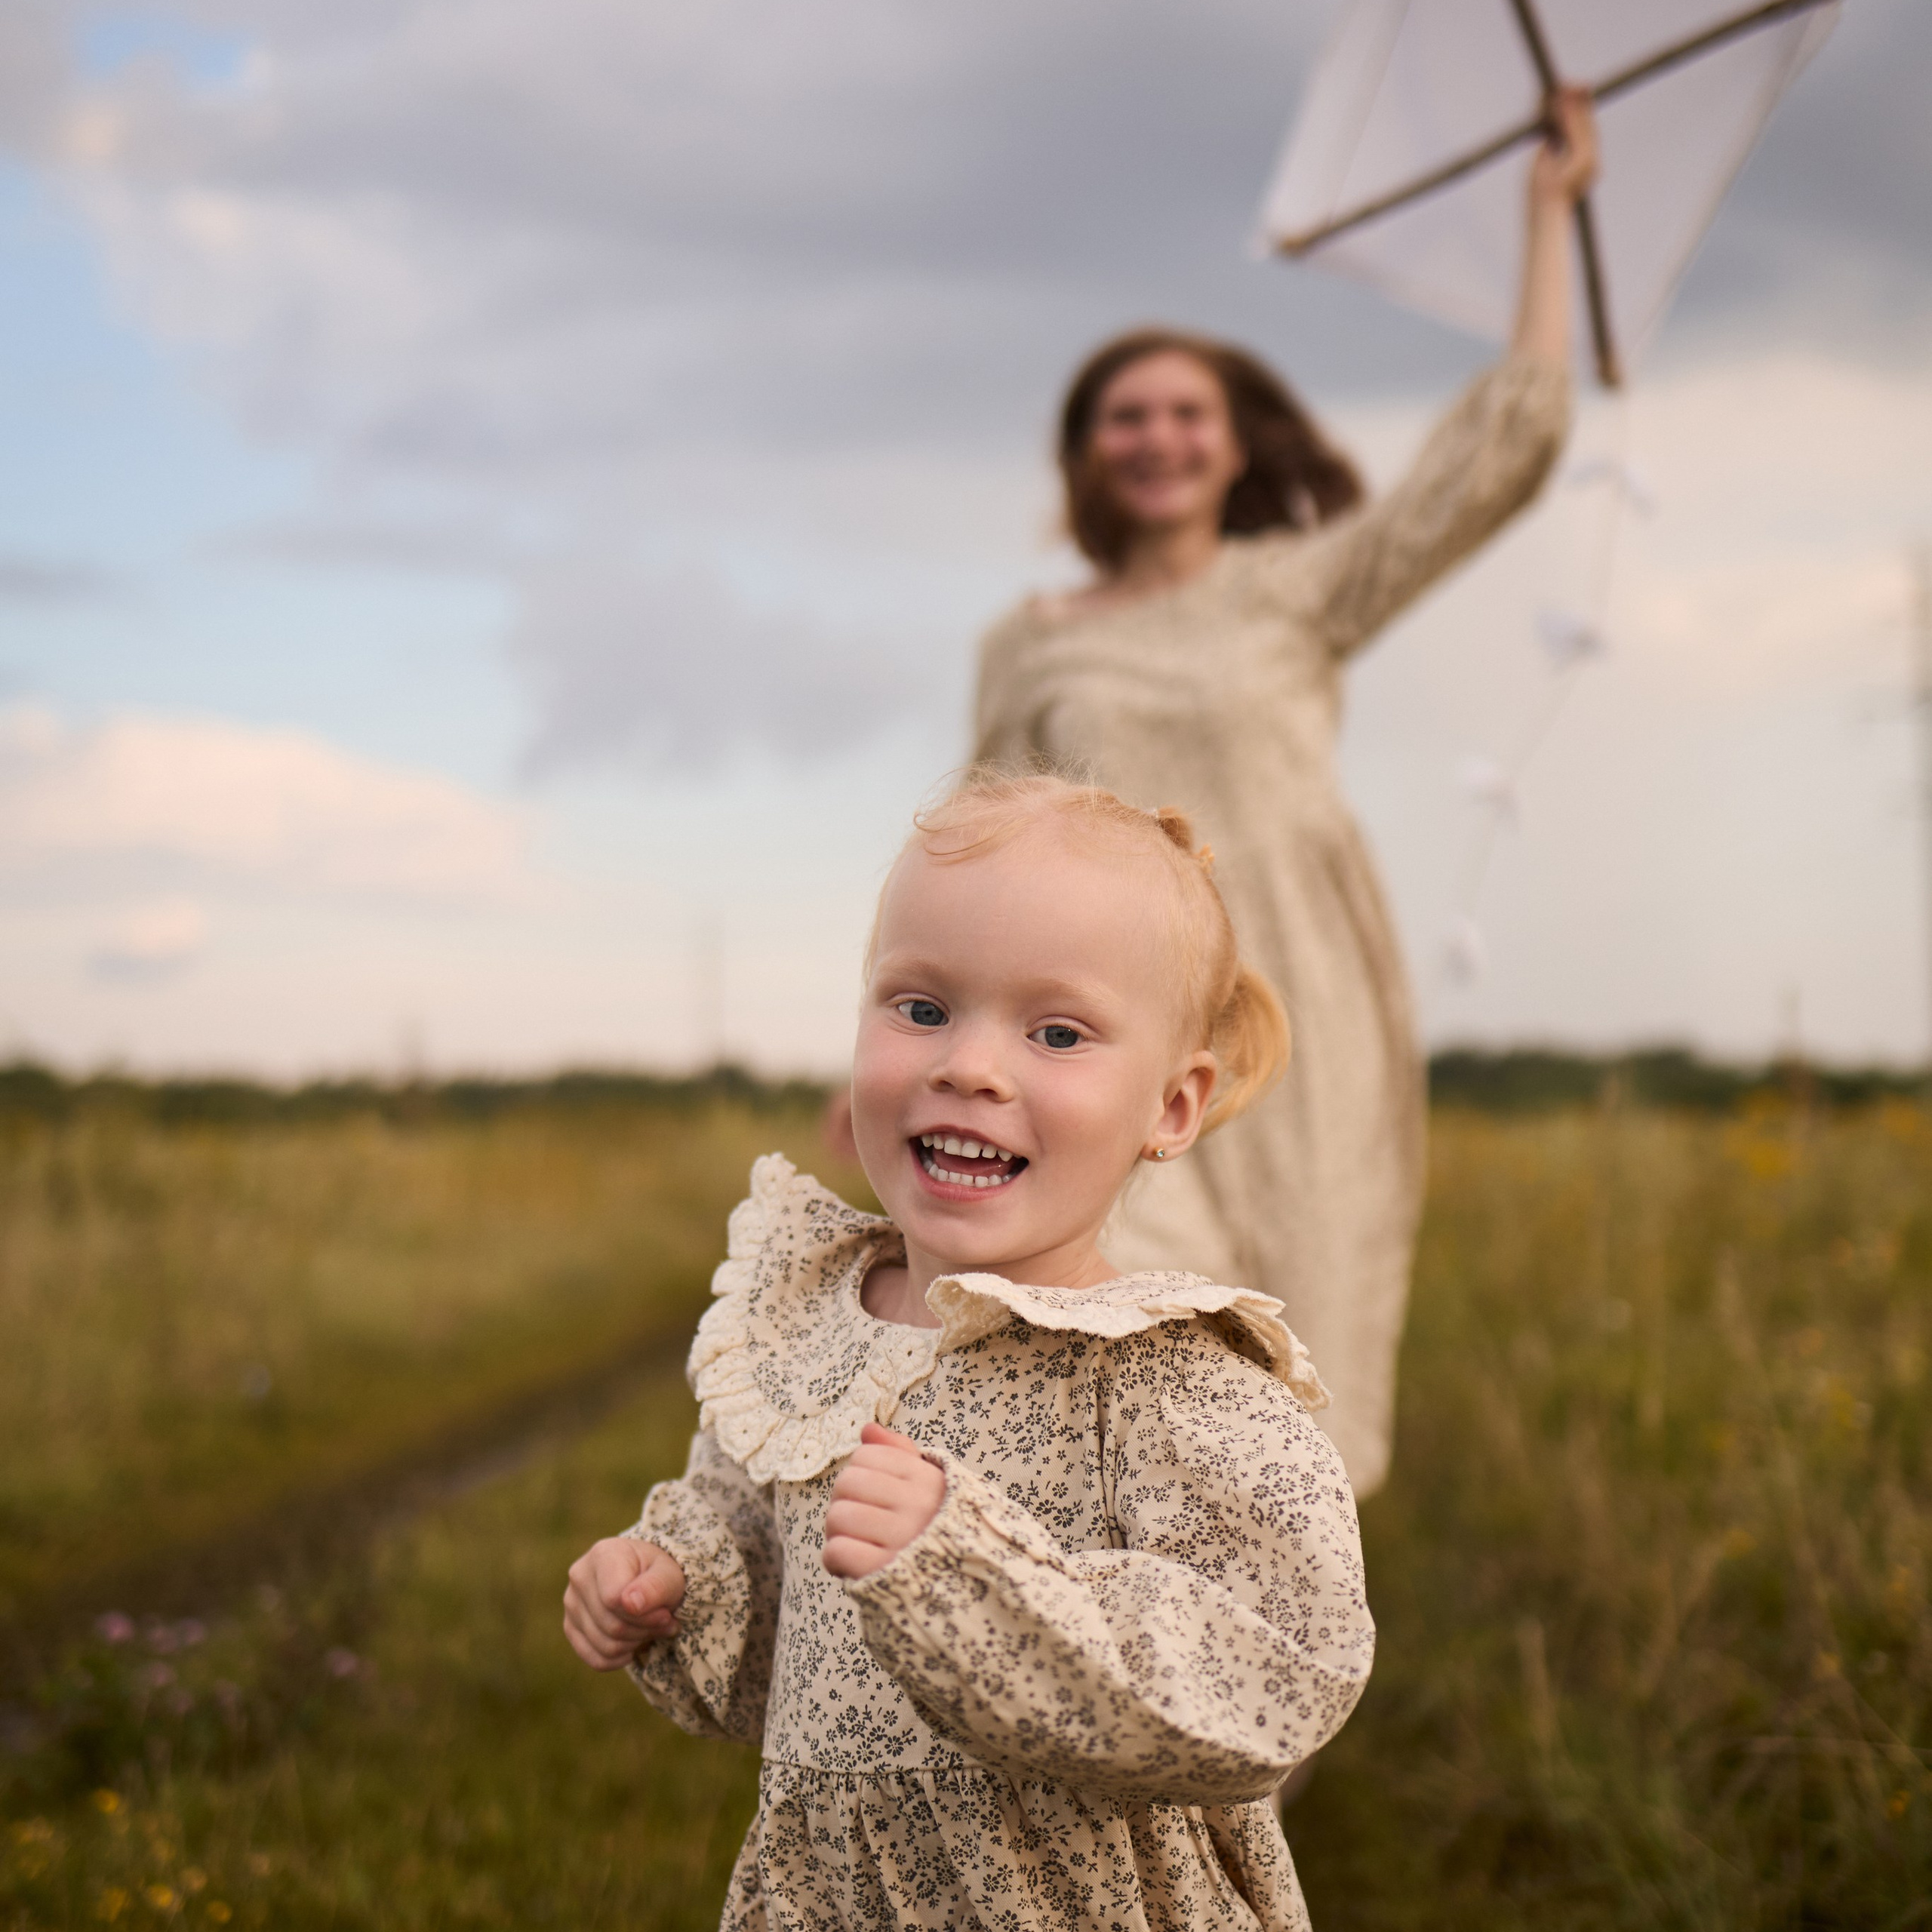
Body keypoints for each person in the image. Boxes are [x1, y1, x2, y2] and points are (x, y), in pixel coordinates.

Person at [565, 773, 1374, 1930]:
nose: (972, 1068)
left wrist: (975, 1578)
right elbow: (764, 1568)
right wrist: (678, 1583)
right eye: (923, 1009)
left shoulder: (1163, 1378)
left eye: (1057, 1032)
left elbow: (1282, 1673)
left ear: (1172, 1108)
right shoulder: (807, 1333)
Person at [969, 89, 1600, 1497]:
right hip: (1106, 1018)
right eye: (1125, 417)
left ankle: (1259, 1671)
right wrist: (910, 1042)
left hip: (1302, 1011)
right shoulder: (1031, 644)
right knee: (1125, 1310)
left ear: (1236, 444)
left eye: (1188, 413)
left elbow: (1494, 461)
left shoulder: (1296, 595)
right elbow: (971, 858)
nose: (1158, 438)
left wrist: (1544, 222)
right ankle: (1094, 1651)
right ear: (1088, 454)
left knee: (1288, 1361)